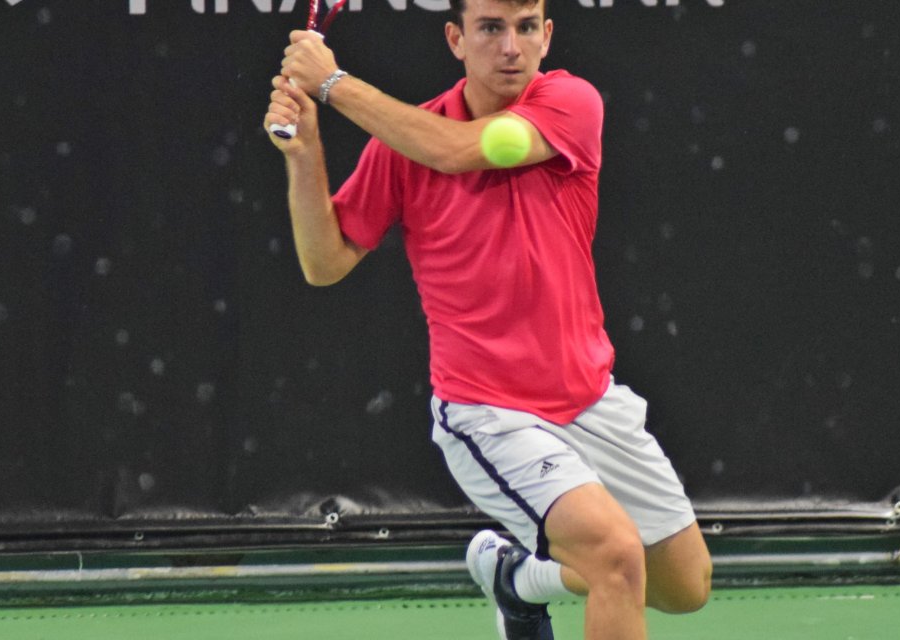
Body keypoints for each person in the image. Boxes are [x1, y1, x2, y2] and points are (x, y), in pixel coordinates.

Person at [263, 1, 712, 638]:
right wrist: (305, 153)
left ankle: (516, 580)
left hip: (587, 395)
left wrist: (333, 84)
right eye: (491, 29)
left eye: (526, 28)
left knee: (684, 586)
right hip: (488, 412)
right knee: (614, 555)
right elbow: (324, 261)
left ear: (547, 36)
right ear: (456, 39)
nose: (510, 48)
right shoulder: (404, 144)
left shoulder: (571, 103)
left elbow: (457, 152)